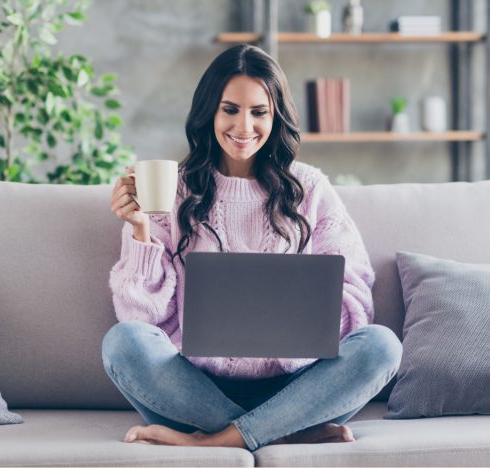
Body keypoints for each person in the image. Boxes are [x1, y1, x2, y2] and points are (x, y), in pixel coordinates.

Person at [103, 44, 402, 451]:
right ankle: (282, 433)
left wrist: (303, 323)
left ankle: (215, 441)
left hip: (298, 387)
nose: (244, 126)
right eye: (230, 109)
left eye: (258, 112)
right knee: (123, 343)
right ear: (209, 111)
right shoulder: (171, 190)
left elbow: (355, 300)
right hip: (193, 387)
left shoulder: (310, 188)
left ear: (275, 115)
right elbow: (141, 317)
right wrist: (140, 231)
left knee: (381, 345)